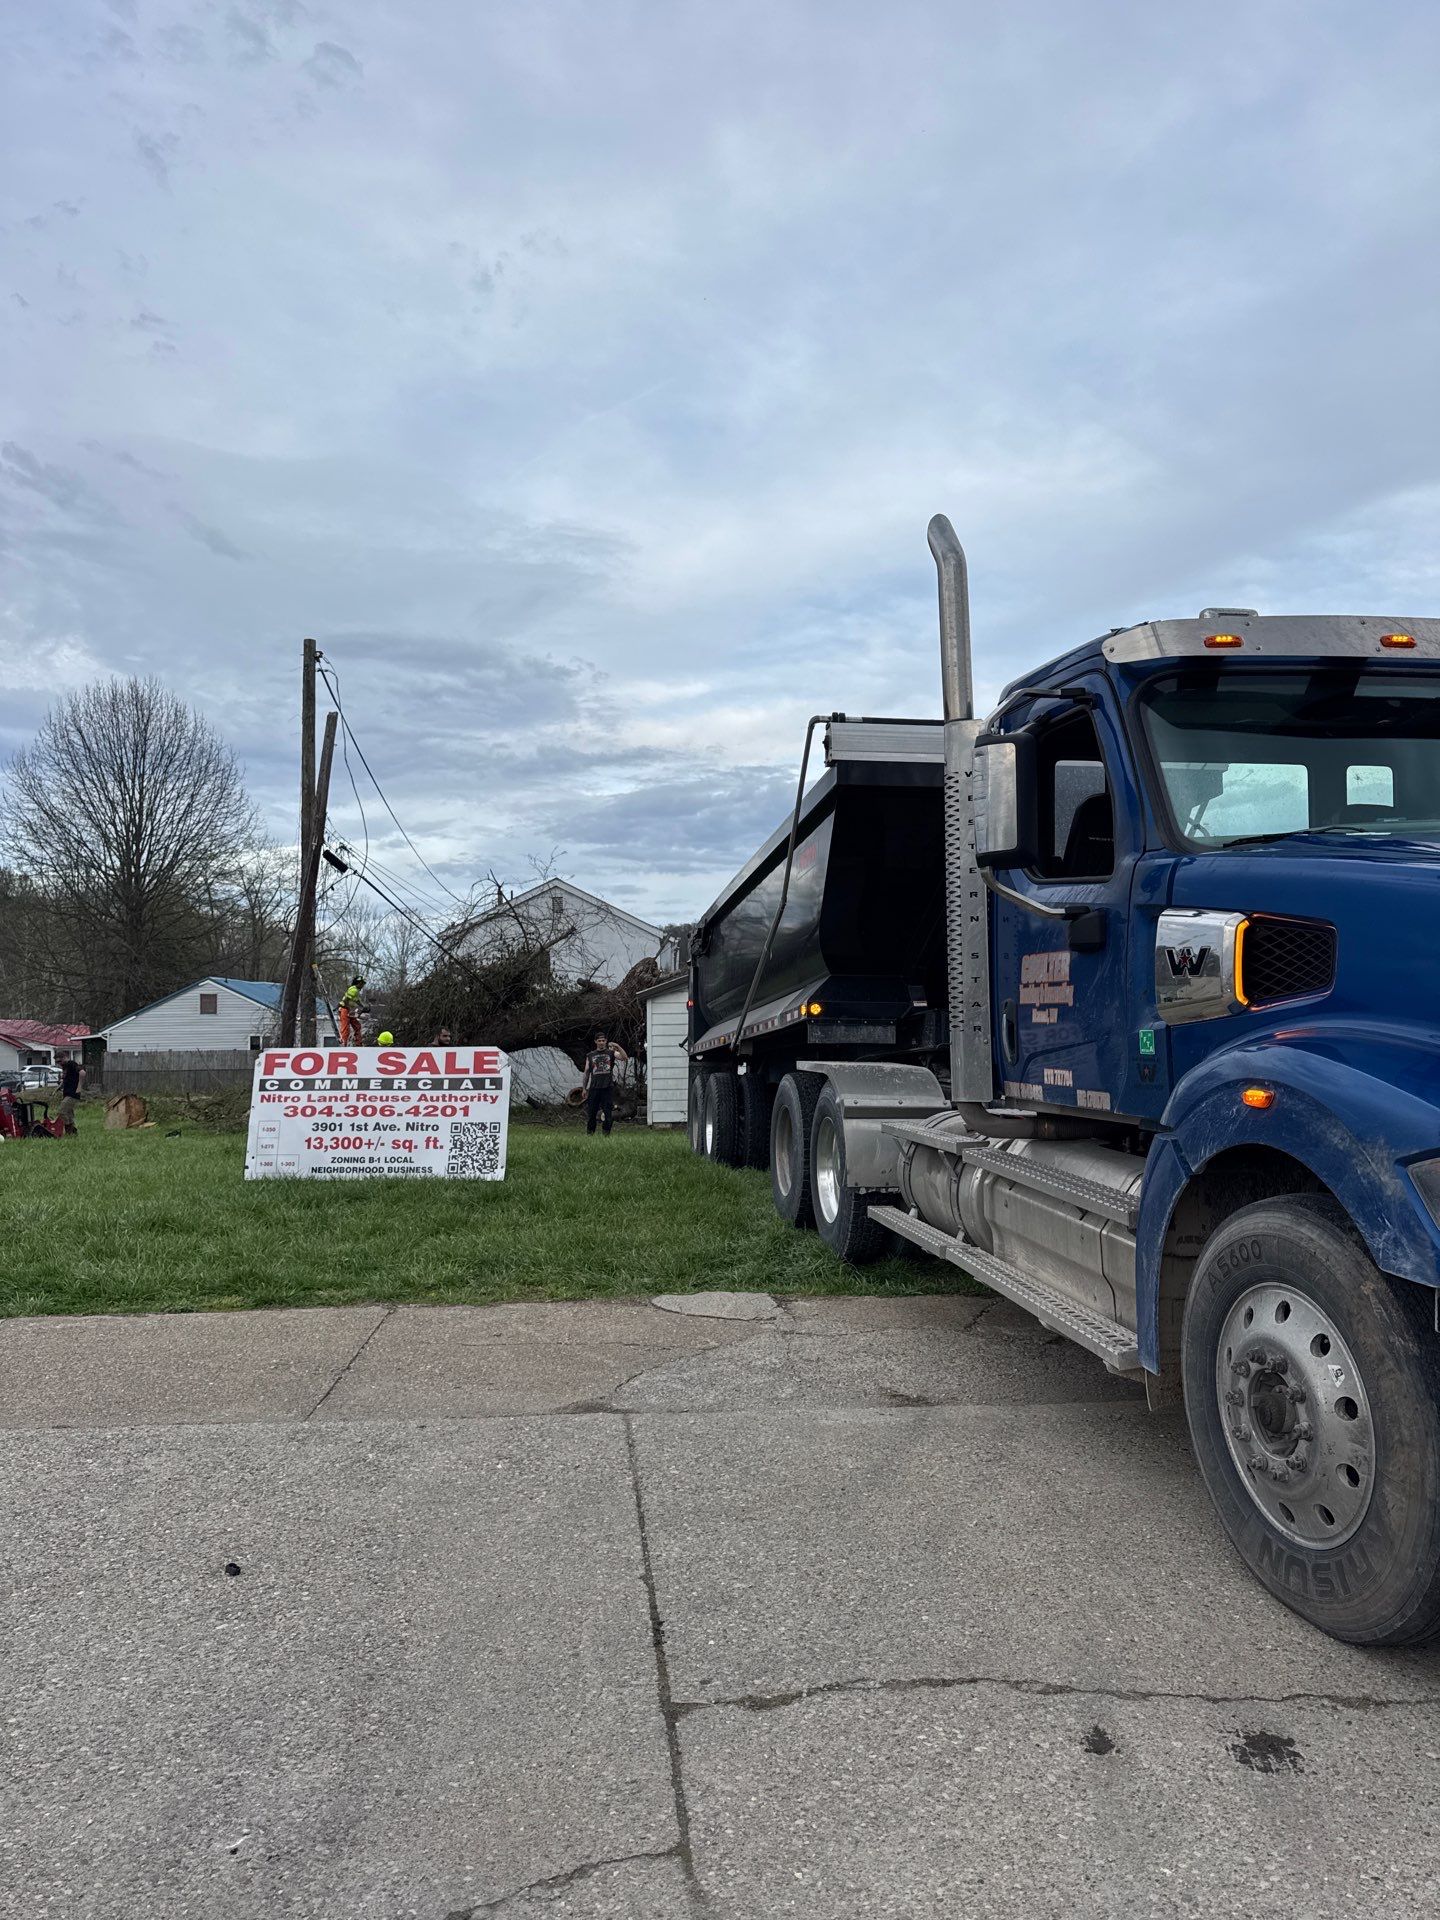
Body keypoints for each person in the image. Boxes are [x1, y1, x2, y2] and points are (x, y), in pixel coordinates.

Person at [582, 1030, 628, 1137]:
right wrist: (584, 1088)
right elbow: (586, 1072)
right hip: (594, 1088)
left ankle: (606, 1134)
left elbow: (624, 1057)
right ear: (596, 1042)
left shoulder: (611, 1053)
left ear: (606, 1041)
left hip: (607, 1088)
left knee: (608, 1113)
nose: (601, 1042)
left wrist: (617, 1046)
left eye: (603, 1040)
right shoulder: (590, 1055)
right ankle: (590, 1134)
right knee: (592, 1113)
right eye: (599, 1041)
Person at [56, 1054, 83, 1134]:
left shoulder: (72, 1064)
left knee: (62, 1112)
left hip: (73, 1093)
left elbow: (82, 1072)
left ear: (64, 1057)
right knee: (69, 1113)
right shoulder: (65, 1067)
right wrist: (60, 1086)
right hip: (67, 1093)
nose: (59, 1063)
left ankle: (69, 1130)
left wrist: (79, 1087)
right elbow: (66, 1079)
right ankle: (73, 1132)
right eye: (57, 1062)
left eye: (60, 1061)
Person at [339, 976, 365, 1045]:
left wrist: (363, 1006)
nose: (363, 985)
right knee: (346, 1029)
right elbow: (346, 1000)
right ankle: (343, 1044)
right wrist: (349, 1009)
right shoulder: (353, 990)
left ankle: (358, 1043)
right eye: (362, 984)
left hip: (350, 1010)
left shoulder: (356, 990)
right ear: (358, 983)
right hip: (345, 1009)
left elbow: (356, 1000)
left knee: (357, 1026)